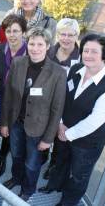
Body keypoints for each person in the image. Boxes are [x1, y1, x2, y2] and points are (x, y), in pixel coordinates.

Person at [42, 34, 105, 206]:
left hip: (87, 142)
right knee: (61, 162)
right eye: (85, 50)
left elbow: (95, 121)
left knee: (79, 175)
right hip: (64, 130)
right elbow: (63, 97)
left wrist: (68, 133)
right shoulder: (76, 69)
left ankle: (67, 202)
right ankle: (54, 186)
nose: (88, 55)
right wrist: (60, 123)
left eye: (94, 51)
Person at [0, 28, 66, 201]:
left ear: (48, 46)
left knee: (32, 163)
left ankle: (28, 189)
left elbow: (57, 109)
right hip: (15, 123)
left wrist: (48, 139)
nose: (35, 48)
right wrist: (5, 122)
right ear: (26, 44)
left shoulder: (58, 73)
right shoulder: (18, 63)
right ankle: (16, 178)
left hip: (38, 129)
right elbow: (8, 95)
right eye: (31, 44)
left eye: (40, 44)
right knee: (16, 155)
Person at [0, 14, 28, 176]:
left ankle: (3, 157)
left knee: (9, 134)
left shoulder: (29, 54)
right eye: (8, 31)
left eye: (16, 31)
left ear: (23, 32)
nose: (12, 34)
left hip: (18, 104)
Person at [42, 18, 81, 179]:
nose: (65, 38)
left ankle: (53, 166)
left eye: (70, 35)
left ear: (76, 36)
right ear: (57, 35)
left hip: (67, 106)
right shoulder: (48, 52)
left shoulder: (82, 58)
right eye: (62, 34)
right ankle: (41, 159)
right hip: (45, 102)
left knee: (60, 139)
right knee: (43, 133)